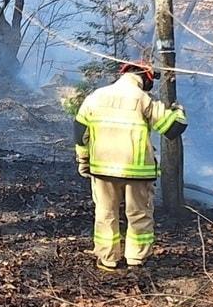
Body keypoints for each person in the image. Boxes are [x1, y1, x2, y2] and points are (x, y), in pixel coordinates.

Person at [72, 61, 186, 272]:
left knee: (105, 213)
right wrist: (179, 111)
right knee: (139, 214)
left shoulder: (96, 96)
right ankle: (136, 259)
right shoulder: (144, 99)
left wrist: (83, 159)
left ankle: (108, 260)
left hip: (103, 169)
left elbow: (80, 132)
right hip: (137, 172)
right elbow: (173, 129)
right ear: (146, 79)